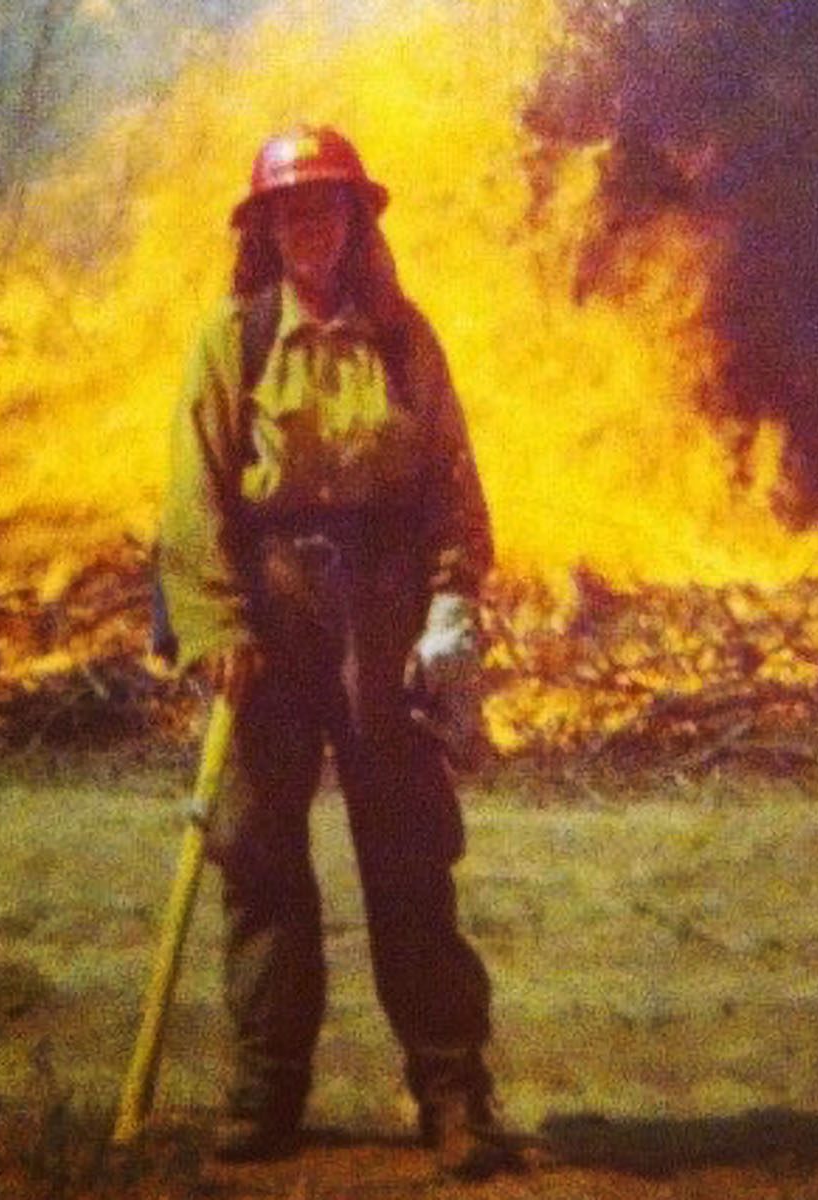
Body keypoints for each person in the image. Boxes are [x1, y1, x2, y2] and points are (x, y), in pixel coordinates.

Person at [156, 126, 504, 1176]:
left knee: (407, 854)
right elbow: (193, 499)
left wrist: (452, 605)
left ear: (356, 223)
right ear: (265, 229)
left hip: (386, 610)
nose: (313, 227)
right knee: (259, 856)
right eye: (292, 211)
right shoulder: (235, 339)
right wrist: (215, 624)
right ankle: (267, 1088)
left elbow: (451, 480)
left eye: (331, 208)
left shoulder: (405, 340)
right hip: (273, 612)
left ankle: (452, 1092)